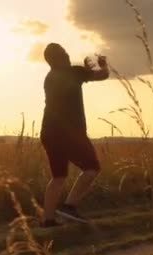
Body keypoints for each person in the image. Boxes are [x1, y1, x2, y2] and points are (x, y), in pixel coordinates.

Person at [40, 43, 109, 227]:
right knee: (92, 167)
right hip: (70, 131)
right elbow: (103, 75)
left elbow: (70, 86)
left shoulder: (50, 78)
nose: (68, 53)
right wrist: (103, 64)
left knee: (58, 176)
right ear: (60, 57)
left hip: (48, 132)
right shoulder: (73, 72)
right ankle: (69, 206)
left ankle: (48, 220)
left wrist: (85, 72)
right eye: (64, 52)